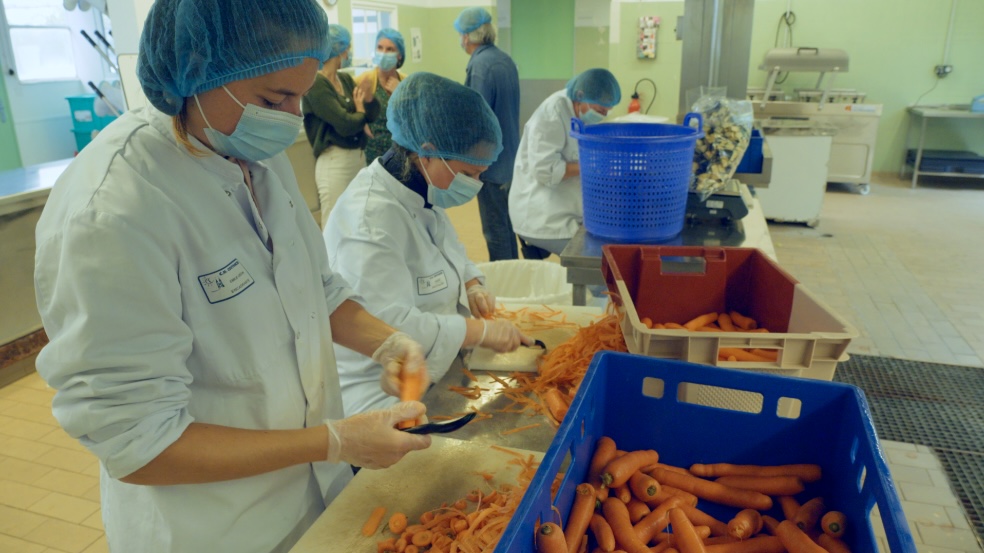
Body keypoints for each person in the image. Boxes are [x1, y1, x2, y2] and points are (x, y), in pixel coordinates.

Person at [32, 2, 430, 552]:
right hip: (215, 526)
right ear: (197, 72)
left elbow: (319, 289)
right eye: (274, 100)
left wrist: (387, 341)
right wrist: (332, 441)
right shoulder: (115, 210)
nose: (293, 117)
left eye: (300, 94)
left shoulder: (253, 157)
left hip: (313, 498)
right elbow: (141, 444)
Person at [324, 72, 533, 417]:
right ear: (428, 152)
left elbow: (452, 251)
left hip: (437, 374)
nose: (475, 185)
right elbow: (387, 324)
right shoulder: (370, 220)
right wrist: (479, 331)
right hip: (382, 396)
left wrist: (472, 283)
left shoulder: (422, 189)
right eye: (468, 174)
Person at [509, 68, 621, 257]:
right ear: (580, 97)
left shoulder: (580, 112)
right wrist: (591, 166)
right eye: (600, 110)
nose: (602, 115)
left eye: (607, 111)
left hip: (567, 207)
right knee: (594, 260)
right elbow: (544, 170)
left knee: (607, 246)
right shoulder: (553, 113)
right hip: (543, 215)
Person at [455, 7, 521, 262]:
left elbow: (476, 119)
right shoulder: (505, 60)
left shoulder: (480, 66)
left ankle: (507, 284)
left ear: (467, 37)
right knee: (506, 226)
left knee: (495, 231)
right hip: (509, 159)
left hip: (490, 165)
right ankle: (515, 275)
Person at [303, 23, 379, 226]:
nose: (349, 53)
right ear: (337, 50)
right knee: (335, 221)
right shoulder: (317, 84)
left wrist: (369, 100)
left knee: (358, 218)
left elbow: (370, 116)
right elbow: (345, 124)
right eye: (348, 49)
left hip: (357, 156)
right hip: (335, 161)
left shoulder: (344, 79)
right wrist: (360, 111)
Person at [356, 28, 407, 165]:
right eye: (380, 48)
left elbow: (413, 118)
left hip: (401, 152)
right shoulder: (364, 81)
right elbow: (354, 114)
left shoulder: (406, 83)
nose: (383, 53)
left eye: (390, 49)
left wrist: (400, 93)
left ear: (399, 55)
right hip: (372, 152)